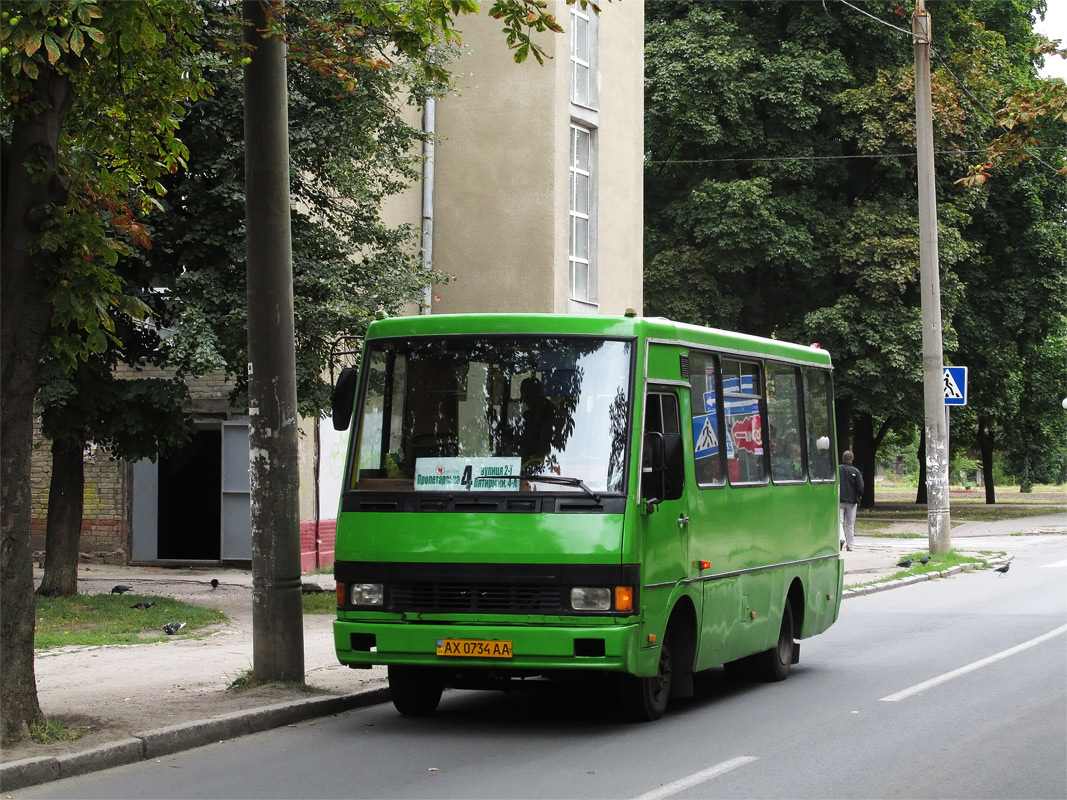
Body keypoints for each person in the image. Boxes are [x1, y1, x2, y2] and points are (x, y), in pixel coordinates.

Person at [838, 450, 864, 551]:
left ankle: (841, 538)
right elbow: (861, 487)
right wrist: (857, 497)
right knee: (850, 524)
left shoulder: (837, 470)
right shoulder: (855, 471)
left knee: (839, 522)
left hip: (839, 500)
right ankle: (850, 545)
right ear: (851, 459)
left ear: (842, 458)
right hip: (852, 501)